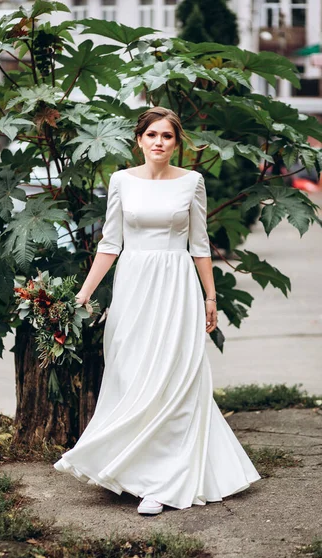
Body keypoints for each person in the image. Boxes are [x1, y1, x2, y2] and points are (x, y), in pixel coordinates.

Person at [53, 107, 261, 515]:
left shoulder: (192, 182)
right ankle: (131, 470)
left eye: (167, 136)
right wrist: (83, 293)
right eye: (152, 135)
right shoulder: (120, 181)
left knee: (173, 376)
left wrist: (210, 297)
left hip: (176, 286)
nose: (159, 142)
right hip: (133, 287)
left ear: (176, 142)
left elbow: (199, 245)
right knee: (130, 372)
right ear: (140, 140)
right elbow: (110, 243)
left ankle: (163, 482)